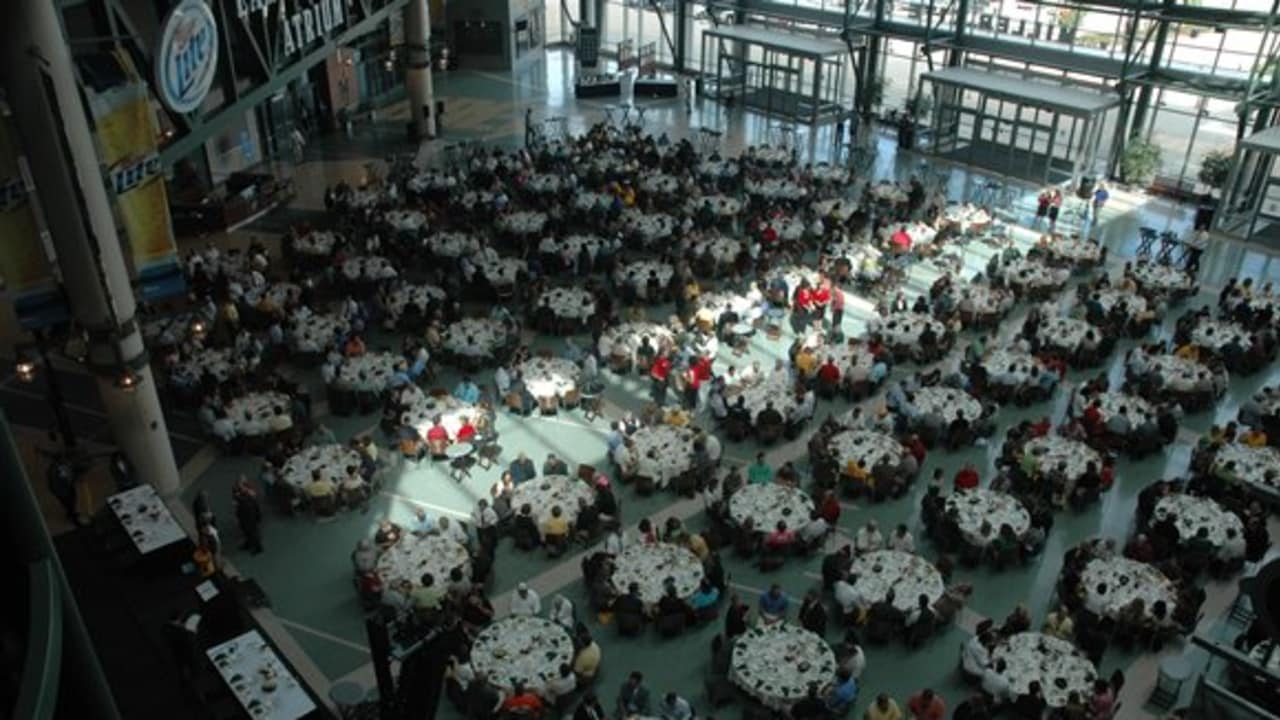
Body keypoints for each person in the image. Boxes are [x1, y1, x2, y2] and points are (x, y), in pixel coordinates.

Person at [232, 476, 264, 554]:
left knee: (254, 534)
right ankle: (248, 544)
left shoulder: (249, 498)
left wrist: (258, 517)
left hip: (251, 520)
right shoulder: (242, 498)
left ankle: (258, 548)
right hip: (244, 519)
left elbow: (256, 507)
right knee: (247, 533)